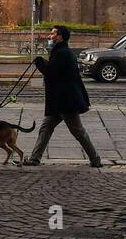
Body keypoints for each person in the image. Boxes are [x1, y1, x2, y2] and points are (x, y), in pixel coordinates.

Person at [25, 25, 102, 168]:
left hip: (66, 101)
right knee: (45, 128)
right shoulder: (62, 52)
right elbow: (55, 70)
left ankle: (95, 159)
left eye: (53, 33)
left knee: (78, 131)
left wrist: (40, 63)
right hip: (60, 100)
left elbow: (51, 73)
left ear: (60, 37)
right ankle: (35, 158)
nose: (50, 35)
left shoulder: (62, 53)